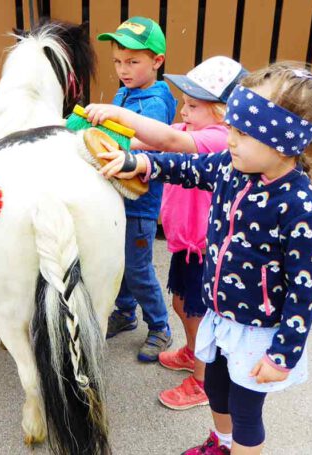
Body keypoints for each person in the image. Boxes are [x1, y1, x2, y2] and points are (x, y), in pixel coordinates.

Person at [98, 63, 312, 454]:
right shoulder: (231, 165)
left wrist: (282, 355)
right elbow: (188, 167)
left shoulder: (300, 205)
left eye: (241, 133)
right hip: (220, 315)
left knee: (245, 409)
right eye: (231, 129)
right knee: (217, 391)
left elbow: (304, 292)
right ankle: (221, 443)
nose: (230, 139)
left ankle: (237, 445)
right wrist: (142, 163)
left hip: (258, 330)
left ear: (283, 142)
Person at [87, 56, 246, 409]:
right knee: (182, 303)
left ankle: (204, 382)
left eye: (193, 106)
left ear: (222, 113)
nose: (184, 111)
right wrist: (118, 145)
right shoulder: (194, 131)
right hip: (185, 243)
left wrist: (121, 116)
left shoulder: (218, 140)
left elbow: (170, 140)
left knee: (198, 313)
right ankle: (193, 352)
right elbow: (153, 144)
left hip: (205, 247)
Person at [96, 16, 178, 362]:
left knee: (139, 268)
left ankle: (160, 325)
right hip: (118, 196)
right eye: (117, 61)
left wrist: (111, 143)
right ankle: (126, 312)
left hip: (139, 203)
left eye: (132, 61)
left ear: (157, 61)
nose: (123, 69)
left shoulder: (155, 102)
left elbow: (149, 147)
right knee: (122, 262)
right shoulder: (125, 92)